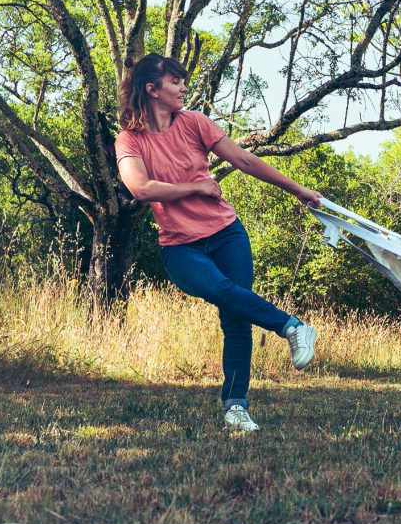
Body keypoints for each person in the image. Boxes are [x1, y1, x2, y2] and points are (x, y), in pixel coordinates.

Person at [114, 53, 322, 433]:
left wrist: (299, 190)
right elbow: (140, 188)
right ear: (152, 89)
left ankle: (236, 408)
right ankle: (292, 327)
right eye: (175, 82)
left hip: (226, 233)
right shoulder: (130, 140)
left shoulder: (194, 123)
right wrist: (195, 185)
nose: (183, 88)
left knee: (236, 318)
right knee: (222, 290)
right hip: (180, 246)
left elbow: (243, 160)